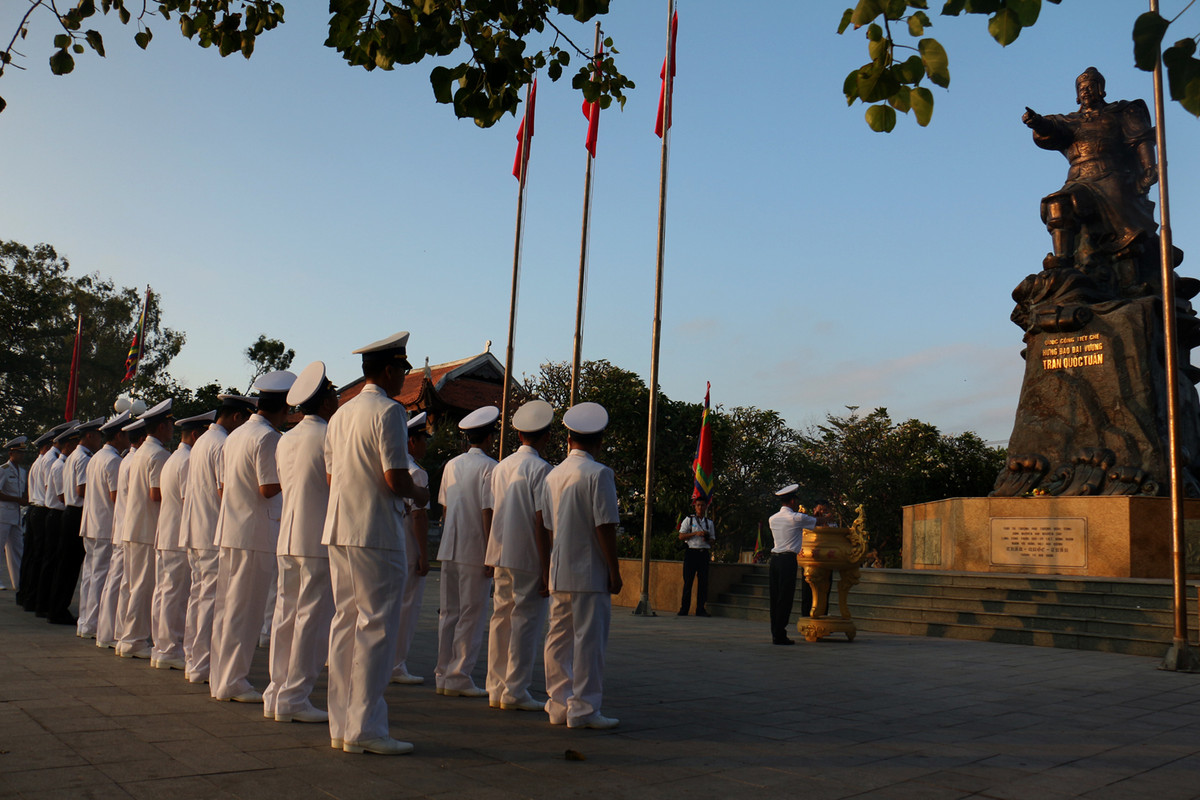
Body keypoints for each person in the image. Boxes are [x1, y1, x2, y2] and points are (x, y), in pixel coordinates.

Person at [323, 331, 428, 755]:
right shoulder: (389, 412)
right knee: (376, 628)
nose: (404, 377)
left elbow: (333, 478)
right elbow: (394, 477)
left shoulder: (341, 415)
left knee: (346, 624)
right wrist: (419, 495)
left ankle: (342, 724)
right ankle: (366, 726)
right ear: (388, 370)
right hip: (376, 532)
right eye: (402, 370)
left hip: (340, 529)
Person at [210, 370, 296, 703]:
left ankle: (223, 677)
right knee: (246, 611)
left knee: (228, 609)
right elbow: (267, 487)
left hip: (233, 529)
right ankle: (234, 680)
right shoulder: (268, 438)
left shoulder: (235, 436)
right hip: (256, 531)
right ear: (284, 408)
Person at [1022, 67, 1157, 271]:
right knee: (1057, 203)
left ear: (1101, 89)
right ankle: (1063, 261)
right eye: (1082, 88)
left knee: (1125, 233)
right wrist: (1037, 123)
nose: (1085, 91)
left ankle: (1130, 278)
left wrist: (1148, 169)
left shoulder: (1120, 112)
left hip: (1112, 176)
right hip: (1078, 180)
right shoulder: (1070, 122)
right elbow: (1051, 129)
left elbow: (1141, 140)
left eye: (1090, 86)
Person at [541, 401, 622, 730]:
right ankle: (585, 708)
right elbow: (605, 525)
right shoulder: (599, 473)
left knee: (558, 638)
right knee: (589, 641)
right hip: (589, 571)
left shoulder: (553, 474)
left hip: (560, 570)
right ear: (598, 439)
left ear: (569, 437)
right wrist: (614, 570)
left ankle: (558, 704)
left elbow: (548, 526)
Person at [264, 361, 337, 724]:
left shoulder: (286, 438)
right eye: (334, 394)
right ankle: (295, 696)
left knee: (285, 615)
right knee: (311, 619)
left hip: (288, 535)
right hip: (316, 538)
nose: (337, 400)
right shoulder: (328, 435)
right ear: (324, 402)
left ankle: (277, 691)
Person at [180, 394, 256, 684]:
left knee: (199, 598)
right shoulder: (221, 444)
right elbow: (225, 492)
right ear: (237, 418)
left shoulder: (201, 443)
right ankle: (202, 664)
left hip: (198, 530)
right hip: (212, 531)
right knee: (210, 601)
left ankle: (194, 661)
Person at [485, 399, 554, 712]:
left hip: (501, 551)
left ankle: (495, 686)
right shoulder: (542, 470)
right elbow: (542, 521)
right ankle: (515, 688)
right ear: (545, 435)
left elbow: (490, 511)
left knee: (501, 618)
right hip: (527, 553)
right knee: (525, 620)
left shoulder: (501, 467)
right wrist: (546, 565)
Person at [435, 405, 499, 699]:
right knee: (472, 614)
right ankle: (459, 674)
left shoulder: (451, 465)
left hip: (450, 545)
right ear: (489, 438)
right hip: (475, 548)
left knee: (449, 613)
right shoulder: (491, 467)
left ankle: (442, 672)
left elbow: (445, 508)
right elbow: (488, 511)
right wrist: (491, 552)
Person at [150, 410, 213, 670]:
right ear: (196, 435)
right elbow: (190, 501)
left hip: (167, 532)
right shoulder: (187, 460)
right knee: (176, 596)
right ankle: (169, 648)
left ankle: (162, 647)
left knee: (166, 593)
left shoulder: (174, 458)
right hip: (178, 535)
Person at [116, 400, 175, 659]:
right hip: (147, 528)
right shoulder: (159, 455)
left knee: (132, 585)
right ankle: (134, 640)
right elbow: (156, 494)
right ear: (162, 426)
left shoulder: (138, 453)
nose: (172, 430)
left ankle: (127, 636)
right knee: (142, 586)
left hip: (134, 526)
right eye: (170, 425)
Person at [77, 411, 129, 639]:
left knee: (90, 575)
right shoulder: (114, 461)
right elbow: (117, 496)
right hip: (106, 525)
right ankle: (93, 623)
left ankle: (85, 622)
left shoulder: (97, 457)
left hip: (92, 523)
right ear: (118, 436)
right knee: (100, 576)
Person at [46, 418, 103, 624]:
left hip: (70, 512)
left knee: (66, 565)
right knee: (69, 567)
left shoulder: (74, 456)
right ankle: (58, 609)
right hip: (76, 512)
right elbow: (82, 489)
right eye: (98, 435)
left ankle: (57, 607)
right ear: (89, 435)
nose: (99, 440)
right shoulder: (83, 458)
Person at [391, 411, 431, 686]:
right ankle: (396, 663)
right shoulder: (416, 472)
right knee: (407, 607)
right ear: (412, 441)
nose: (426, 445)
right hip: (408, 545)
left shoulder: (393, 466)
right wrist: (424, 554)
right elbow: (419, 515)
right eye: (423, 439)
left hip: (392, 543)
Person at [767, 485, 831, 646]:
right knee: (785, 598)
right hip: (787, 560)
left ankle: (775, 631)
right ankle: (780, 634)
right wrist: (825, 517)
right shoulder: (796, 518)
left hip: (774, 560)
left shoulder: (773, 518)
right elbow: (818, 521)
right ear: (793, 500)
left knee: (775, 597)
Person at [677, 496, 715, 617]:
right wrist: (695, 533)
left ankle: (700, 609)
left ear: (706, 507)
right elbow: (681, 536)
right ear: (695, 507)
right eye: (698, 505)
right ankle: (684, 609)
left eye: (702, 505)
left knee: (703, 583)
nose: (700, 508)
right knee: (688, 581)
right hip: (691, 553)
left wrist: (707, 537)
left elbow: (713, 540)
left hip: (703, 553)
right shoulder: (689, 520)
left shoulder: (709, 523)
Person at [0, 437, 28, 592]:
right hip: (3, 513)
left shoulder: (22, 471)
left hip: (16, 515)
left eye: (23, 453)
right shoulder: (3, 469)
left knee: (17, 549)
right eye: (19, 453)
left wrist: (24, 498)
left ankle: (18, 582)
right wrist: (18, 499)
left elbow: (22, 491)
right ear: (11, 453)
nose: (22, 456)